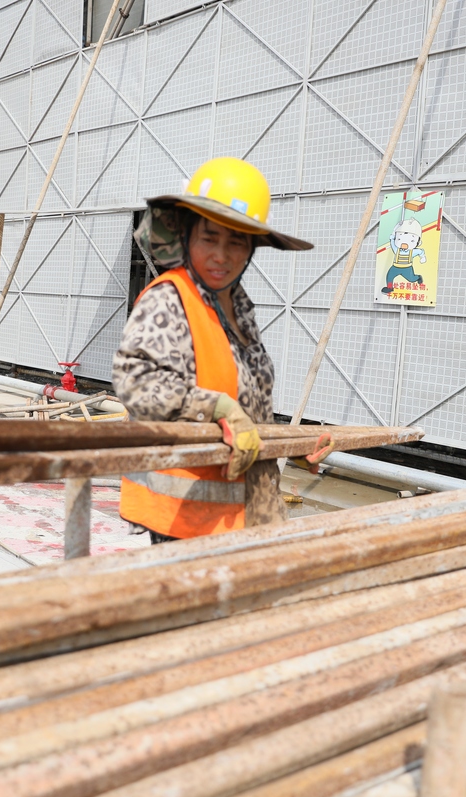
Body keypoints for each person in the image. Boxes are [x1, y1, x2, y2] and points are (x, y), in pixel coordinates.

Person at [113, 157, 313, 543]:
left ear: (252, 247)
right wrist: (218, 408)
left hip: (249, 509)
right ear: (186, 236)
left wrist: (292, 446)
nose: (222, 255)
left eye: (236, 241)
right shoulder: (170, 299)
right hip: (187, 516)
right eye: (210, 238)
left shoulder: (237, 305)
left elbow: (248, 403)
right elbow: (135, 381)